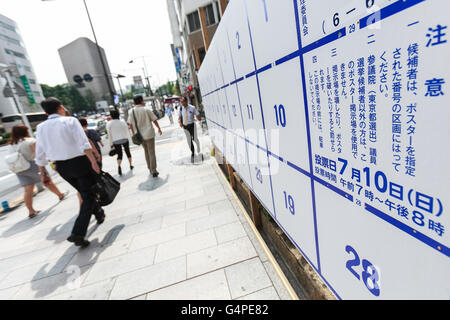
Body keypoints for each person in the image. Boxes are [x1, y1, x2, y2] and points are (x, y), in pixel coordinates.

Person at [35, 97, 105, 248]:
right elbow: (83, 142)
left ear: (46, 112)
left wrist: (43, 173)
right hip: (79, 163)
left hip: (61, 167)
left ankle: (99, 213)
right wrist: (93, 161)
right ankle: (78, 233)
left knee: (85, 192)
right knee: (88, 195)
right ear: (60, 108)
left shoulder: (40, 128)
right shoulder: (70, 121)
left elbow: (39, 153)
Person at [10, 125, 67, 218]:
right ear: (25, 131)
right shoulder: (31, 141)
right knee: (47, 181)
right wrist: (44, 170)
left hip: (20, 168)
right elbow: (38, 156)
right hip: (33, 165)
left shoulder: (12, 144)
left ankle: (31, 211)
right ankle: (60, 195)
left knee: (28, 190)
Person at [128, 95, 162, 177]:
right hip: (149, 134)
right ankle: (154, 170)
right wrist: (159, 128)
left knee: (146, 151)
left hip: (139, 135)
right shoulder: (146, 109)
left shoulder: (131, 111)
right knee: (151, 152)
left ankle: (149, 168)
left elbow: (130, 124)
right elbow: (154, 120)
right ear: (141, 101)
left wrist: (134, 133)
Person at [106, 110, 133, 176]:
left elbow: (109, 135)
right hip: (124, 139)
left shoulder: (109, 123)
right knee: (128, 152)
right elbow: (127, 129)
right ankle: (130, 165)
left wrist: (111, 144)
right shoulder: (122, 121)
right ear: (118, 114)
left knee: (119, 154)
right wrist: (128, 138)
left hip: (116, 141)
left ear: (111, 116)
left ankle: (119, 166)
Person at [179, 97, 202, 163]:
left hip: (192, 125)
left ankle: (198, 147)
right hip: (185, 126)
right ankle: (193, 152)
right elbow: (180, 116)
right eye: (181, 102)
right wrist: (180, 123)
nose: (182, 103)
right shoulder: (181, 108)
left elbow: (197, 115)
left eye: (183, 102)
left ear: (186, 101)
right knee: (189, 140)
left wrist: (200, 121)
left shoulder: (192, 107)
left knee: (194, 138)